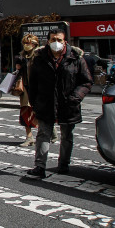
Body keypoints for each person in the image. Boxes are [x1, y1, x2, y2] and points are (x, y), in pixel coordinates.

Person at [26, 28, 92, 179]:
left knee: (67, 135)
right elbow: (33, 83)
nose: (56, 43)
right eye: (53, 40)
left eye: (59, 40)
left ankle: (64, 164)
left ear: (65, 42)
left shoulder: (76, 58)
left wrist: (75, 97)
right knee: (43, 134)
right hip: (45, 103)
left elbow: (86, 81)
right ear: (48, 41)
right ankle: (40, 166)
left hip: (68, 103)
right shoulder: (40, 58)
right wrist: (34, 103)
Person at [14, 34, 39, 147]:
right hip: (25, 87)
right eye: (24, 43)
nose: (26, 45)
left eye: (28, 43)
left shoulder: (40, 55)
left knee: (40, 111)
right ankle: (29, 136)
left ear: (34, 44)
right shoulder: (21, 56)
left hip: (38, 87)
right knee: (25, 111)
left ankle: (47, 132)